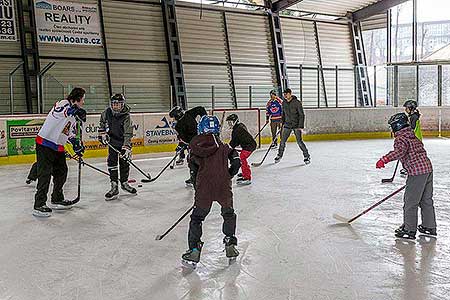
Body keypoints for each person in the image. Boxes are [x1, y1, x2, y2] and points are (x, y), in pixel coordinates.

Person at [181, 115, 241, 268]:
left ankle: (194, 249)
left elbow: (193, 170)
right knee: (228, 214)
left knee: (197, 218)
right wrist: (229, 175)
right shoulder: (224, 147)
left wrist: (197, 187)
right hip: (223, 187)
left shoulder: (195, 148)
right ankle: (230, 243)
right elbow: (236, 161)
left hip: (204, 189)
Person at [376, 112, 436, 240]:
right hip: (427, 169)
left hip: (417, 172)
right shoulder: (411, 135)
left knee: (410, 202)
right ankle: (429, 226)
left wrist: (384, 159)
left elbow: (398, 152)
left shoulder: (401, 138)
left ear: (397, 126)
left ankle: (409, 229)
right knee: (426, 200)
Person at [32, 87, 87, 217]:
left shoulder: (73, 117)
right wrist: (74, 110)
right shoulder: (63, 104)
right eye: (83, 100)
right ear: (77, 99)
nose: (83, 102)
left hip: (58, 146)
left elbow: (70, 133)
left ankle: (57, 198)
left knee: (62, 171)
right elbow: (61, 112)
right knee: (44, 174)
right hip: (45, 143)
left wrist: (76, 144)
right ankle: (39, 204)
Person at [98, 94, 136, 201]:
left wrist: (126, 147)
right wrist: (102, 134)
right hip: (112, 143)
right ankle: (114, 185)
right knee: (112, 163)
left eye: (118, 104)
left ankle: (124, 183)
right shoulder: (107, 113)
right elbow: (102, 124)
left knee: (124, 163)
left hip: (123, 143)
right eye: (114, 104)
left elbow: (128, 133)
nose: (116, 106)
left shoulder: (126, 116)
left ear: (122, 104)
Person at [169, 105, 207, 187]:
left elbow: (184, 140)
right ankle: (199, 177)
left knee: (192, 161)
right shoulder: (189, 114)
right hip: (200, 140)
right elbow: (201, 109)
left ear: (177, 115)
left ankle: (195, 178)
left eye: (174, 117)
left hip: (194, 144)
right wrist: (204, 119)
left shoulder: (178, 126)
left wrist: (179, 137)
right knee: (199, 160)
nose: (173, 119)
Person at [274, 88, 310, 164]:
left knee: (299, 142)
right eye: (284, 94)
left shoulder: (297, 103)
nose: (285, 96)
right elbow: (283, 114)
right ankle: (279, 155)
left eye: (286, 94)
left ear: (290, 93)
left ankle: (306, 156)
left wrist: (300, 126)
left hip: (296, 125)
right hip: (287, 125)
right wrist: (282, 123)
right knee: (282, 141)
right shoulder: (284, 103)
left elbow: (301, 115)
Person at [226, 114, 257, 185]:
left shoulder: (237, 130)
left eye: (230, 122)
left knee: (242, 158)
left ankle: (247, 177)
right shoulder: (240, 125)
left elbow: (233, 143)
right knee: (242, 159)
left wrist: (227, 149)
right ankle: (245, 172)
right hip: (249, 145)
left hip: (249, 146)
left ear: (235, 121)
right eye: (228, 123)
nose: (229, 124)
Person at [400, 100, 423, 176]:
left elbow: (411, 128)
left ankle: (408, 168)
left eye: (406, 108)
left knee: (409, 155)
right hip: (415, 138)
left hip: (414, 138)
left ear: (411, 108)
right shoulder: (413, 116)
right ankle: (408, 168)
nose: (405, 109)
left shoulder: (414, 117)